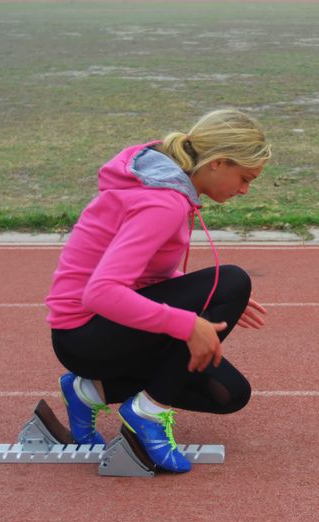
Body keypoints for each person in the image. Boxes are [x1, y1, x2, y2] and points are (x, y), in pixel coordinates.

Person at [45, 109, 271, 473]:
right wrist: (186, 321)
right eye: (244, 178)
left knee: (230, 393)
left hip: (103, 330)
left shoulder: (169, 186)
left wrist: (208, 299)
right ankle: (148, 412)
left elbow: (145, 275)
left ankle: (88, 392)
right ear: (219, 163)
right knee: (233, 280)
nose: (244, 190)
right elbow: (100, 292)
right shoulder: (163, 202)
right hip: (83, 333)